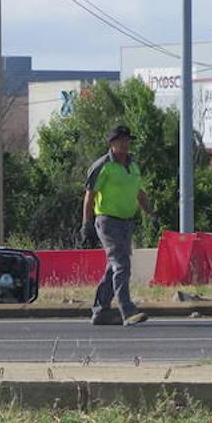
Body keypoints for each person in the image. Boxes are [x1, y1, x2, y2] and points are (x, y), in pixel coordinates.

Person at [81, 125, 158, 326]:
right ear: (112, 143)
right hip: (107, 221)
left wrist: (150, 213)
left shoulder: (133, 165)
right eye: (120, 140)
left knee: (113, 265)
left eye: (127, 140)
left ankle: (101, 311)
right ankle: (127, 310)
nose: (125, 144)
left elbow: (139, 192)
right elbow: (90, 195)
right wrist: (87, 223)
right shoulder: (103, 166)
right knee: (122, 263)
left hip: (126, 222)